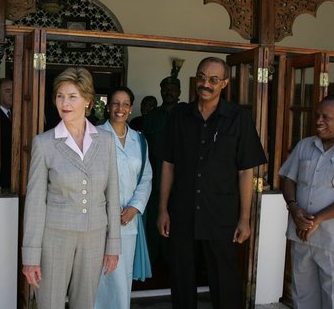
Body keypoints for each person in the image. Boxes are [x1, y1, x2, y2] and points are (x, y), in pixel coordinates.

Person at [157, 57, 267, 309]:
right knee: (181, 276)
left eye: (214, 80)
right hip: (183, 211)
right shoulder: (179, 117)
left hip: (221, 215)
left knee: (225, 279)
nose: (206, 84)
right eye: (202, 77)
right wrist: (163, 209)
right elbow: (168, 165)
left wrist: (245, 218)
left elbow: (245, 172)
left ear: (225, 83)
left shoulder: (238, 118)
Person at [22, 67, 121, 308]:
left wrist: (113, 244)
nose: (64, 103)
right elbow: (35, 202)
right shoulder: (44, 143)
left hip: (95, 236)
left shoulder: (106, 141)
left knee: (85, 303)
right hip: (55, 236)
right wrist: (31, 257)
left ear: (88, 100)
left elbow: (113, 194)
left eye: (72, 96)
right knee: (49, 303)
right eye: (60, 96)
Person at [95, 86, 152, 309]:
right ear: (108, 106)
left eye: (125, 104)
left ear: (130, 108)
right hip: (101, 219)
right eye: (116, 103)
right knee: (100, 276)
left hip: (128, 220)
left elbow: (146, 177)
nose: (120, 108)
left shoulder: (139, 140)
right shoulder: (94, 135)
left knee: (122, 276)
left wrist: (135, 208)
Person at [279, 95, 334, 309]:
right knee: (302, 295)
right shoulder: (305, 145)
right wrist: (293, 207)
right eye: (317, 116)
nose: (318, 121)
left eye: (326, 117)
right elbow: (288, 178)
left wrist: (316, 220)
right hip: (301, 237)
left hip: (330, 242)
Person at [142, 68, 182, 265]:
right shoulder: (151, 117)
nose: (169, 92)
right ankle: (152, 261)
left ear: (179, 92)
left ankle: (171, 261)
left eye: (173, 89)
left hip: (181, 183)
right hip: (154, 180)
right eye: (165, 88)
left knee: (177, 222)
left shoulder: (186, 115)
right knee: (153, 221)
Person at [0, 78, 13, 190]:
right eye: (7, 91)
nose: (12, 94)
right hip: (1, 178)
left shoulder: (17, 114)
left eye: (13, 90)